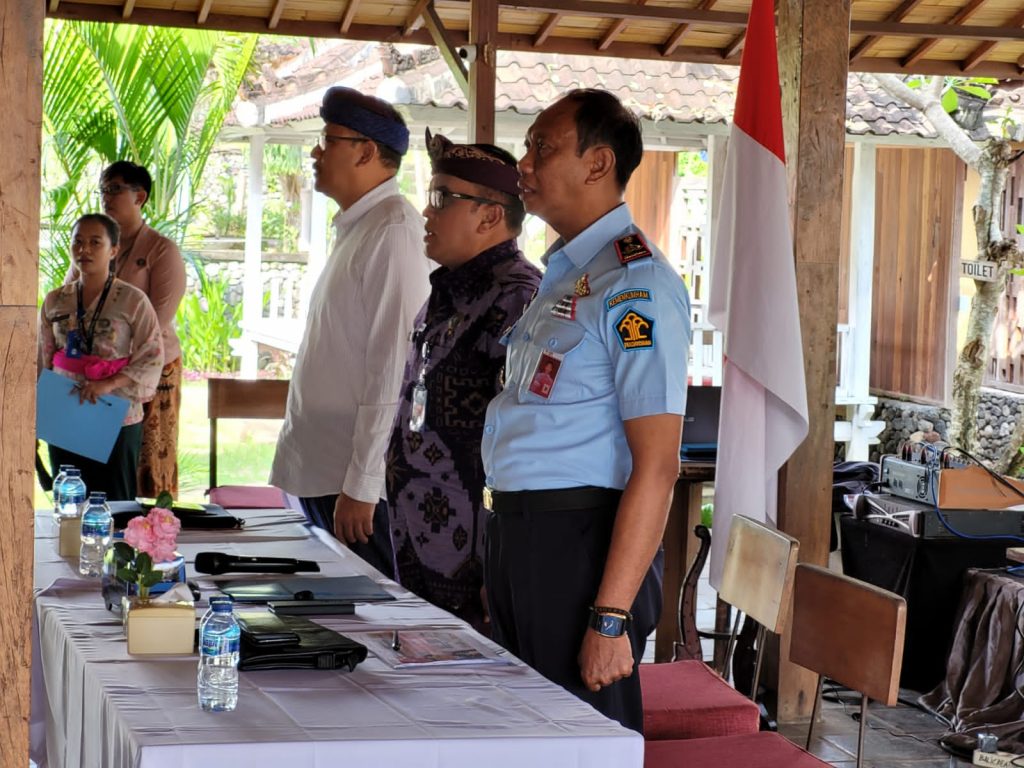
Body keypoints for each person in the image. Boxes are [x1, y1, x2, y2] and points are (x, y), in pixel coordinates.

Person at [481, 89, 692, 732]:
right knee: (526, 736)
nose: (524, 163)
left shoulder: (635, 285)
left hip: (579, 547)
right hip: (522, 536)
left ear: (598, 164)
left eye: (542, 148)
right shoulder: (570, 273)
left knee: (580, 739)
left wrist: (611, 617)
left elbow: (657, 466)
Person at [270, 87, 430, 577]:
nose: (315, 153)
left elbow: (393, 367)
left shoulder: (393, 230)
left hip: (353, 482)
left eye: (328, 140)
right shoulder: (362, 226)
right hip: (325, 469)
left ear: (365, 152)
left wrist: (364, 481)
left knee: (367, 613)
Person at [385, 130, 541, 633]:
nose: (425, 213)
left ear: (489, 216)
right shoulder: (448, 291)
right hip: (421, 540)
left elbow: (523, 443)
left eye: (441, 198)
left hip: (476, 559)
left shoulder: (517, 299)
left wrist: (500, 565)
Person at [65, 161, 187, 497]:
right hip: (93, 371)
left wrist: (118, 372)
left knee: (148, 462)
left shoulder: (161, 250)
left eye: (115, 189)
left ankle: (147, 527)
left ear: (140, 197)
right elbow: (67, 303)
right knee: (95, 464)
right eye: (103, 190)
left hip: (151, 370)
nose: (106, 197)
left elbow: (157, 321)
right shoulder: (90, 246)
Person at [40, 214, 164, 501]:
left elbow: (152, 355)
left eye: (95, 242)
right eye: (78, 242)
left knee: (115, 501)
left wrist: (108, 384)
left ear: (113, 250)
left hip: (115, 411)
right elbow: (42, 356)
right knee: (68, 498)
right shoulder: (55, 300)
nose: (84, 249)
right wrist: (41, 405)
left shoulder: (133, 300)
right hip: (65, 407)